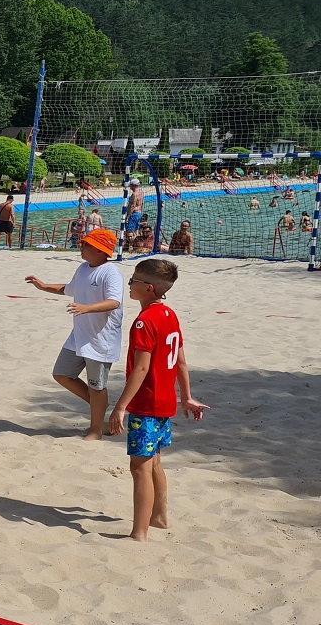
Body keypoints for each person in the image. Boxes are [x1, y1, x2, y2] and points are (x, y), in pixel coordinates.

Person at [105, 258, 208, 541]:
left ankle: (139, 532)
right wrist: (185, 397)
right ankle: (160, 517)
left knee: (139, 468)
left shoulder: (144, 321)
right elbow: (182, 363)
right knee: (154, 463)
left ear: (149, 288)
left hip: (146, 405)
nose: (129, 284)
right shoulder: (169, 314)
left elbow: (141, 368)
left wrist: (121, 406)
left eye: (134, 281)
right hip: (164, 404)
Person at [25, 227, 124, 440]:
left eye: (86, 244)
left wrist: (87, 308)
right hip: (79, 335)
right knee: (61, 374)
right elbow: (68, 289)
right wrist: (43, 286)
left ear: (99, 250)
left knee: (97, 386)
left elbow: (114, 302)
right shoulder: (82, 268)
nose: (81, 247)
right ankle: (100, 405)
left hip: (101, 339)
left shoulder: (111, 271)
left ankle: (96, 430)